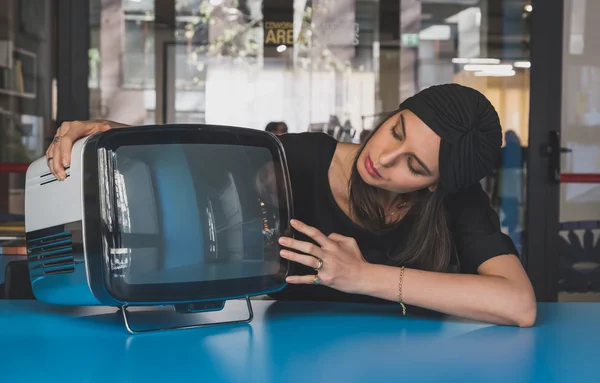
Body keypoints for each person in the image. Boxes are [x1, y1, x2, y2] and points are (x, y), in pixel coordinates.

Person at [45, 83, 536, 327]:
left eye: (414, 166)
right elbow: (212, 161)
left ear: (435, 186)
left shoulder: (455, 199)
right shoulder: (299, 157)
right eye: (396, 130)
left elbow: (518, 304)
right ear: (393, 113)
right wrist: (115, 132)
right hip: (294, 361)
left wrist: (362, 277)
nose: (383, 158)